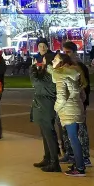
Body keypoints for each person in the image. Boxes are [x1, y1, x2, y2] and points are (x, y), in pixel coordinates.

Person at [51, 52, 88, 176]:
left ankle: (80, 168)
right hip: (76, 109)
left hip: (68, 111)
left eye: (55, 60)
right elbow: (83, 95)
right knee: (75, 138)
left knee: (73, 139)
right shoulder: (74, 73)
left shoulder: (61, 75)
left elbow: (62, 97)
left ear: (61, 62)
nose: (53, 62)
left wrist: (55, 109)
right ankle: (79, 163)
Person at [58, 41, 92, 165]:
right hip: (66, 105)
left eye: (68, 52)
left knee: (80, 130)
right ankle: (70, 153)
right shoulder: (64, 66)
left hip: (77, 103)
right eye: (64, 52)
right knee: (66, 130)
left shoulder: (79, 66)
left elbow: (85, 86)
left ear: (74, 52)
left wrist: (83, 101)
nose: (66, 54)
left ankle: (85, 156)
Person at [30, 42, 61, 173]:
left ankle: (54, 162)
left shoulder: (51, 74)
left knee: (49, 134)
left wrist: (32, 69)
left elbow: (37, 83)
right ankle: (48, 157)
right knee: (45, 133)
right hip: (43, 105)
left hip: (46, 106)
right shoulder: (48, 73)